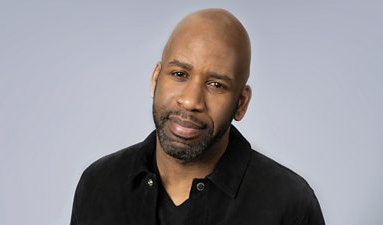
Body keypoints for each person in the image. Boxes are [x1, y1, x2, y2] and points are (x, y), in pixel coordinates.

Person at [70, 8, 325, 225]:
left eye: (216, 85)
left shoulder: (289, 205)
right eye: (179, 74)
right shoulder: (99, 184)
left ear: (241, 103)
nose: (191, 101)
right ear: (156, 79)